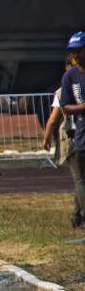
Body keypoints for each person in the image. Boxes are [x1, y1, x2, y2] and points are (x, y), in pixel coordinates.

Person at [60, 31, 85, 230]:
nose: (75, 55)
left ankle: (77, 217)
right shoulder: (70, 76)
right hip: (80, 136)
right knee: (80, 180)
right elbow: (65, 106)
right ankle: (80, 216)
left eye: (78, 51)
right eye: (73, 52)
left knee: (81, 181)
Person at [42, 55, 75, 165]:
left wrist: (46, 139)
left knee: (77, 178)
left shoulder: (62, 92)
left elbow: (52, 121)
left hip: (71, 138)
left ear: (67, 68)